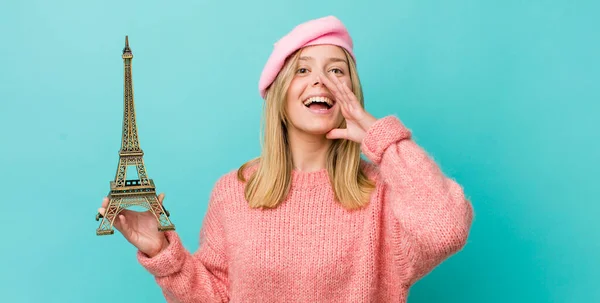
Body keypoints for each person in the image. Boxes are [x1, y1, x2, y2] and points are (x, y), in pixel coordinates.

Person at [98, 15, 474, 302]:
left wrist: (384, 140)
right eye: (302, 69)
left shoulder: (382, 193)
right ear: (279, 93)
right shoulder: (234, 192)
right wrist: (163, 254)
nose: (320, 81)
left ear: (350, 94)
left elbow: (446, 228)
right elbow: (219, 296)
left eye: (336, 71)